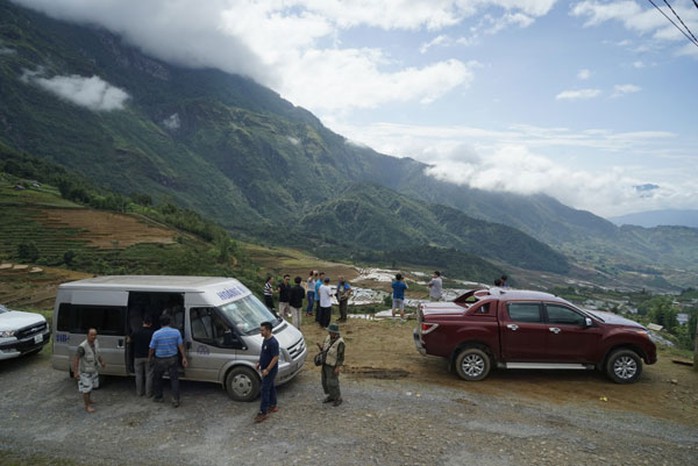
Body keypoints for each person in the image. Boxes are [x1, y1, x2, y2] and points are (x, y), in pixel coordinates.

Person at [149, 314, 188, 408]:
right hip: (172, 358)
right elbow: (180, 346)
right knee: (174, 379)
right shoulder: (176, 332)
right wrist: (184, 357)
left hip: (160, 359)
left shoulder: (156, 334)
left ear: (160, 323)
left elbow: (152, 348)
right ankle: (175, 400)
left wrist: (149, 357)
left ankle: (159, 397)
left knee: (157, 378)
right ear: (170, 322)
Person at [72, 328, 106, 413]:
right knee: (86, 389)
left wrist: (102, 362)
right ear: (87, 335)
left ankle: (89, 400)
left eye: (95, 335)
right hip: (85, 372)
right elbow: (76, 359)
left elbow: (97, 354)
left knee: (91, 386)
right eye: (91, 335)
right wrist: (75, 372)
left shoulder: (96, 342)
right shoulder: (82, 347)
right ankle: (87, 406)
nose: (93, 336)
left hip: (93, 369)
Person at [255, 321, 279, 423]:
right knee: (270, 386)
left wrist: (268, 369)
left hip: (270, 370)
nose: (261, 332)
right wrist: (259, 362)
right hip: (264, 368)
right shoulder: (265, 340)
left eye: (262, 330)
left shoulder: (273, 343)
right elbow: (263, 353)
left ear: (268, 330)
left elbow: (275, 357)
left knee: (264, 389)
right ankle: (273, 404)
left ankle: (263, 411)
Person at [316, 323, 345, 407]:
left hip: (332, 365)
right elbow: (325, 349)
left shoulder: (340, 343)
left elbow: (341, 356)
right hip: (325, 363)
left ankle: (337, 398)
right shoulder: (328, 338)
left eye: (331, 332)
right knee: (324, 381)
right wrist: (320, 347)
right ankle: (331, 396)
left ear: (335, 333)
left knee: (332, 382)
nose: (329, 333)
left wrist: (338, 367)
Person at [131, 316, 155, 397]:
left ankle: (139, 392)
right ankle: (148, 393)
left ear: (143, 322)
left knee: (138, 375)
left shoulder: (136, 332)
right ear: (151, 324)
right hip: (149, 356)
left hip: (137, 356)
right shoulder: (153, 333)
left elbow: (129, 340)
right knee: (149, 375)